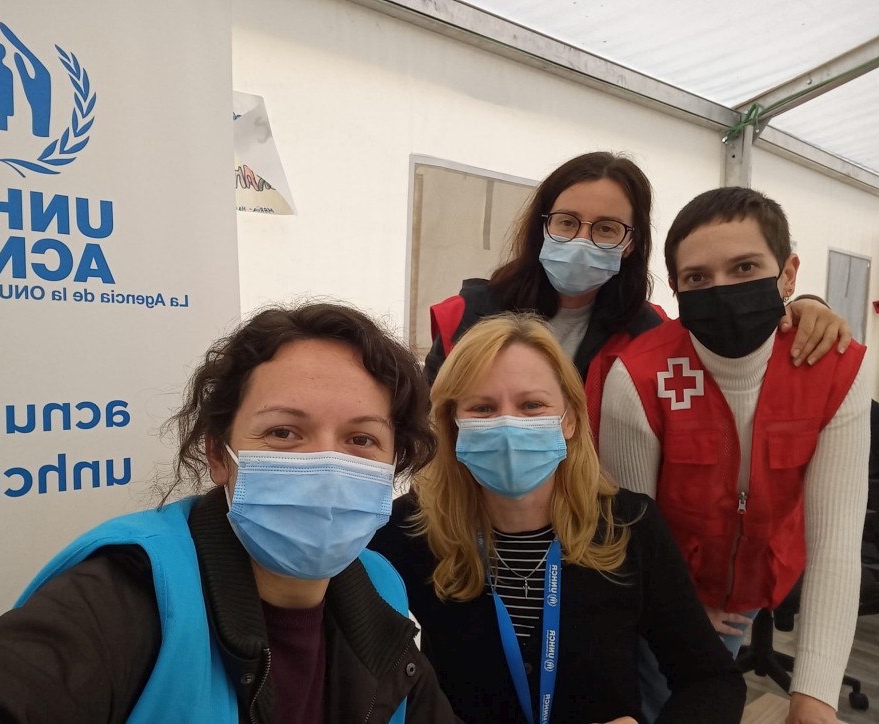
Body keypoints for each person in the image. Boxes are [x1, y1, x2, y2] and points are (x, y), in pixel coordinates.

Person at [0, 303, 460, 724]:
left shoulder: (380, 589)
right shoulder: (131, 596)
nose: (325, 463)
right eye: (283, 433)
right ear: (220, 456)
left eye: (361, 438)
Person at [371, 313, 747, 724]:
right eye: (483, 408)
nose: (508, 424)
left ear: (568, 419)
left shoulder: (629, 524)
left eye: (532, 405)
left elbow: (711, 678)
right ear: (453, 425)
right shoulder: (408, 531)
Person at [600, 188, 870, 724]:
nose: (722, 290)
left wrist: (814, 695)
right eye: (698, 278)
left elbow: (836, 543)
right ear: (675, 287)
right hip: (666, 593)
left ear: (788, 276)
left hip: (751, 585)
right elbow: (631, 537)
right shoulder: (641, 376)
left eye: (745, 267)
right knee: (654, 693)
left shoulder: (836, 368)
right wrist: (681, 612)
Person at [426, 151, 851, 443]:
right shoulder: (467, 319)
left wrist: (806, 305)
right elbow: (429, 431)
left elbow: (735, 338)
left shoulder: (649, 337)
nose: (582, 240)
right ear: (542, 226)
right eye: (567, 222)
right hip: (468, 522)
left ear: (631, 243)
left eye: (606, 228)